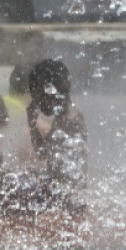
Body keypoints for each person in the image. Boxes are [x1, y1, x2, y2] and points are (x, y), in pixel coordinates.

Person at [27, 59, 87, 188]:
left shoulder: (70, 121)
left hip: (69, 197)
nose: (35, 102)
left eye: (36, 95)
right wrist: (31, 122)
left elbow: (72, 179)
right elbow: (42, 153)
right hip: (61, 192)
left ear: (50, 92)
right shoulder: (61, 119)